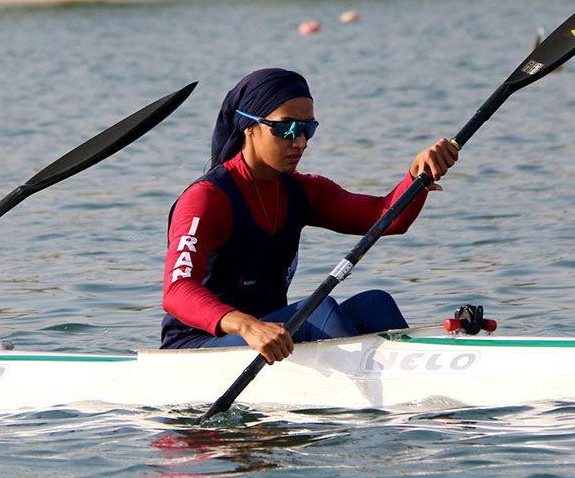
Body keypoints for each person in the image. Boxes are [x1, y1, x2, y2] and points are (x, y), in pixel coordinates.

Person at [161, 67, 457, 363]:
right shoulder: (207, 199)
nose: (300, 142)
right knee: (321, 310)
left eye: (308, 129)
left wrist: (416, 176)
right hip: (196, 347)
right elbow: (177, 290)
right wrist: (247, 325)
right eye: (287, 129)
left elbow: (383, 218)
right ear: (249, 127)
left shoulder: (301, 191)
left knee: (375, 303)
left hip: (272, 340)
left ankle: (424, 376)